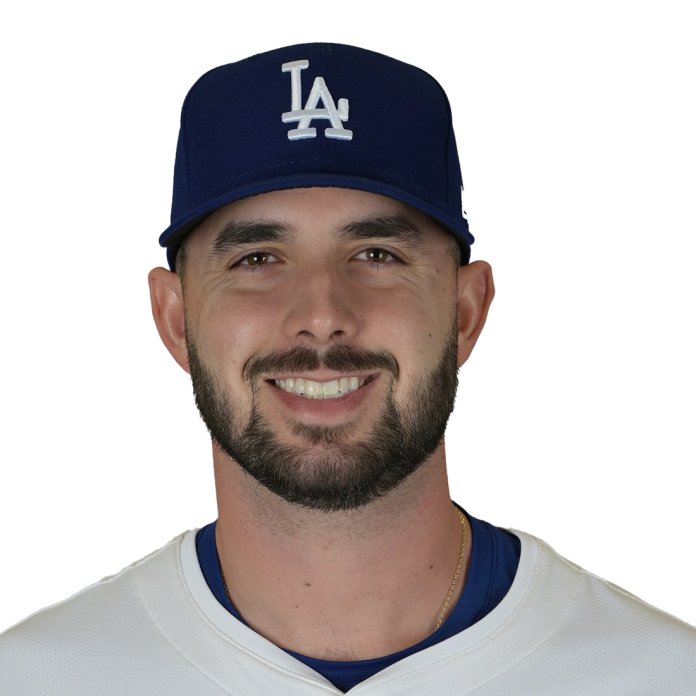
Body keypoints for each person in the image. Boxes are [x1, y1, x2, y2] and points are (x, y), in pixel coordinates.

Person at [1, 42, 693, 695]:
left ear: (466, 311)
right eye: (257, 259)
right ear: (175, 320)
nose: (322, 315)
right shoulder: (40, 677)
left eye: (376, 254)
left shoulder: (663, 675)